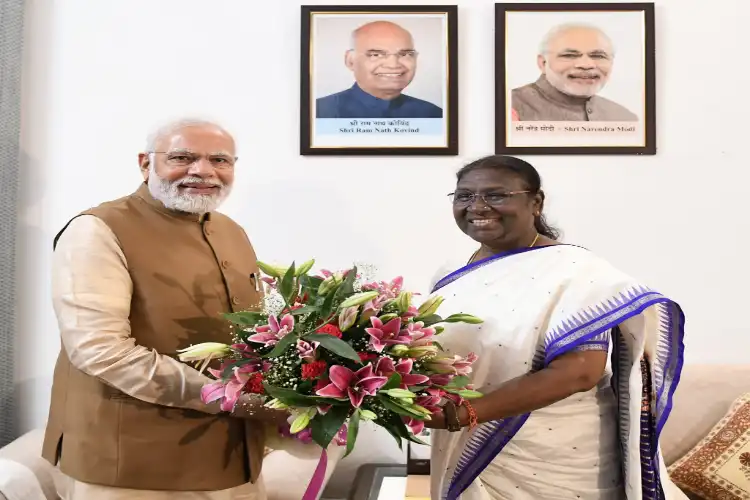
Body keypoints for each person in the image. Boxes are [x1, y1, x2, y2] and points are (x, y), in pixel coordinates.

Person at [41, 118, 288, 500]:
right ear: (145, 163)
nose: (203, 171)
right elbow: (101, 352)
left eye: (220, 160)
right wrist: (229, 398)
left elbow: (248, 337)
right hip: (132, 467)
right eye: (182, 157)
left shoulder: (231, 231)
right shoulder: (97, 230)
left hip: (236, 460)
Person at [425, 155, 688, 499]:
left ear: (536, 202)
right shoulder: (451, 270)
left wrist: (465, 414)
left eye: (496, 195)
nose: (478, 206)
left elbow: (579, 372)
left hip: (554, 452)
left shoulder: (577, 271)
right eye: (464, 196)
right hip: (463, 440)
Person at [511, 23, 638, 122]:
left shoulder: (625, 118)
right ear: (543, 63)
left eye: (598, 56)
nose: (586, 65)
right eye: (569, 55)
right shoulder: (508, 107)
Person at [315, 20, 443, 119]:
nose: (393, 65)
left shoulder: (433, 114)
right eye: (376, 55)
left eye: (405, 54)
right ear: (350, 60)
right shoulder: (319, 112)